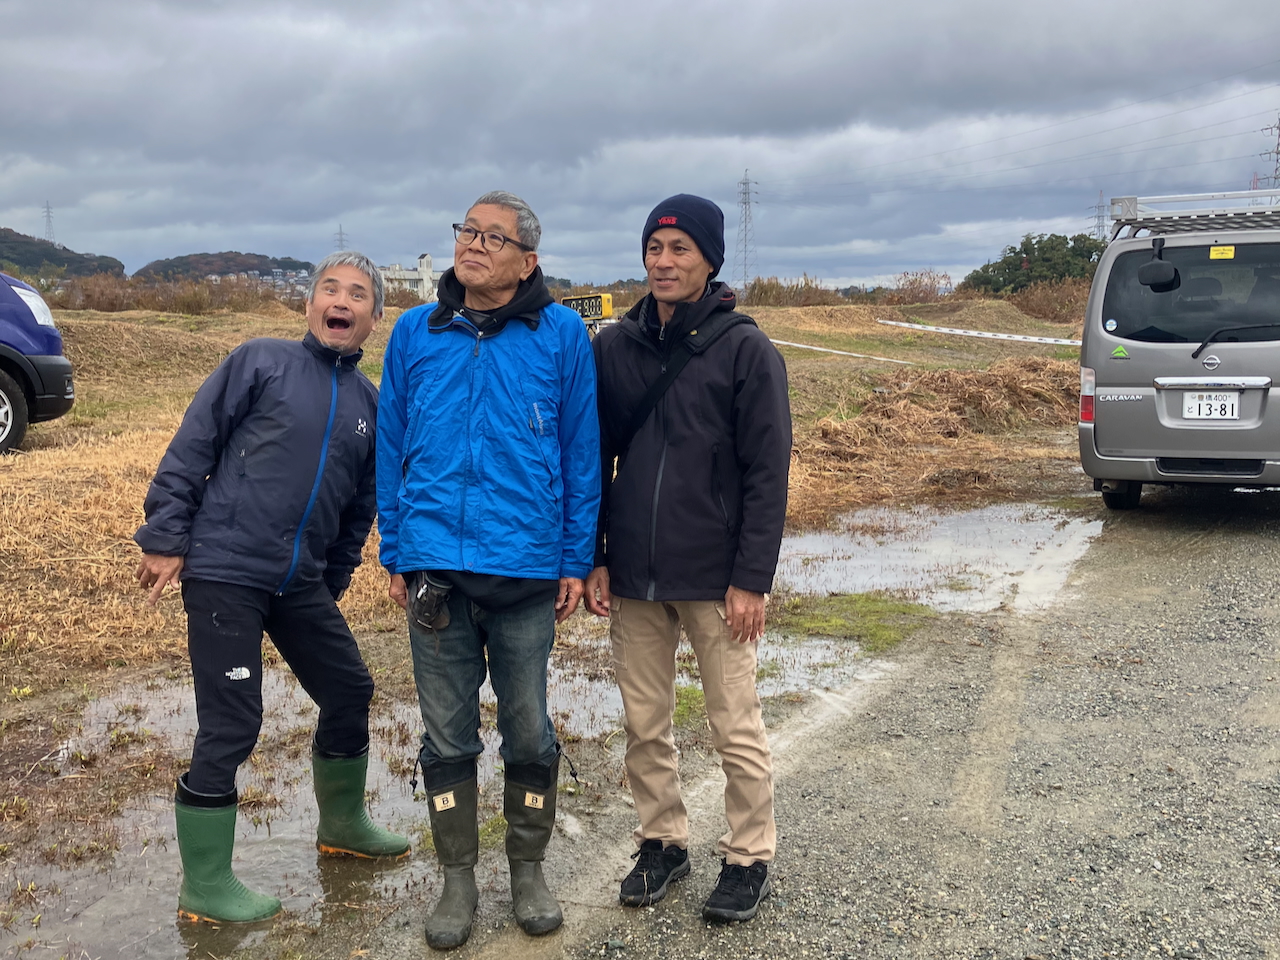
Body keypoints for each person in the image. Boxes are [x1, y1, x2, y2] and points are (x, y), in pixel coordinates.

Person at [134, 251, 409, 925]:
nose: (340, 301)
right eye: (329, 289)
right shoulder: (261, 361)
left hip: (298, 583)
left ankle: (343, 826)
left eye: (357, 295)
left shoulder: (370, 404)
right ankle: (205, 886)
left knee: (349, 689)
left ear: (374, 318)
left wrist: (331, 580)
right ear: (310, 304)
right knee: (233, 720)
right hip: (226, 571)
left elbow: (359, 509)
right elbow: (194, 445)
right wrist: (166, 535)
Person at [376, 191, 600, 949]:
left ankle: (528, 871)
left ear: (527, 261)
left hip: (526, 571)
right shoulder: (416, 331)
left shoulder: (561, 335)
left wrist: (575, 558)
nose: (472, 244)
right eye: (466, 231)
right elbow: (391, 446)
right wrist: (397, 548)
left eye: (492, 237)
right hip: (434, 569)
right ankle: (458, 880)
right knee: (446, 739)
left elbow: (581, 452)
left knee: (528, 731)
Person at [585, 195, 792, 923]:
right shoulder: (614, 347)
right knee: (645, 724)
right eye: (654, 248)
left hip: (715, 578)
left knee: (734, 725)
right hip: (634, 574)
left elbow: (768, 473)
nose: (663, 262)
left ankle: (748, 856)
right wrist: (596, 554)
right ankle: (662, 843)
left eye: (680, 249)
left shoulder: (746, 350)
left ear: (710, 260)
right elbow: (594, 459)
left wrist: (751, 580)